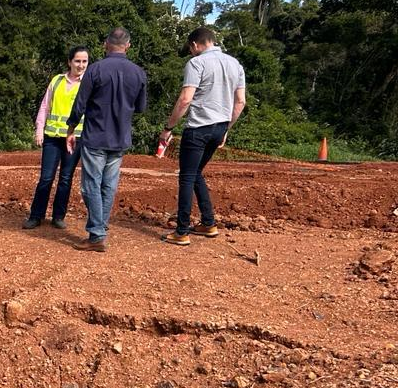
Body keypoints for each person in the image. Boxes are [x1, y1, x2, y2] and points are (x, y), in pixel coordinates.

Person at [158, 26, 246, 246]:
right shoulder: (235, 64)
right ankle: (208, 223)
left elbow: (185, 99)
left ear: (195, 44)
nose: (191, 52)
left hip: (198, 127)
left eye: (190, 49)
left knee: (187, 176)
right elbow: (240, 102)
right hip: (219, 127)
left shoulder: (196, 63)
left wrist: (168, 128)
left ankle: (181, 231)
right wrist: (226, 128)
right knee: (196, 172)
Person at [65, 27, 147, 251]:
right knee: (108, 186)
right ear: (128, 46)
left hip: (96, 136)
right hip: (120, 138)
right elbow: (141, 107)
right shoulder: (138, 73)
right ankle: (100, 227)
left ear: (105, 44)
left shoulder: (95, 69)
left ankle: (97, 234)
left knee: (91, 185)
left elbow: (80, 104)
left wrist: (71, 129)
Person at [25, 46, 89, 229]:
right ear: (69, 62)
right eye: (77, 61)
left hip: (75, 139)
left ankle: (58, 216)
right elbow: (45, 106)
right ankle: (36, 216)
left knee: (65, 178)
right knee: (46, 178)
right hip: (52, 137)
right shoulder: (57, 80)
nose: (81, 65)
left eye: (84, 61)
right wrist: (39, 130)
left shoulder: (88, 84)